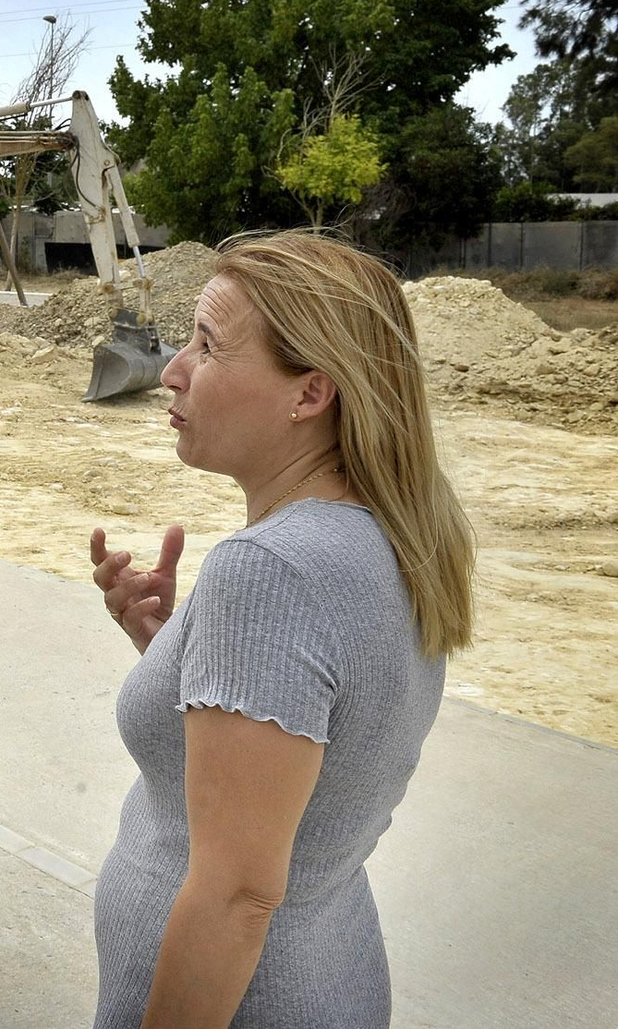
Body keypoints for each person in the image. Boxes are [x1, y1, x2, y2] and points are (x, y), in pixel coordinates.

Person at [87, 230, 475, 1028]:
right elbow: (314, 743)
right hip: (331, 972)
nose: (172, 370)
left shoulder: (272, 570)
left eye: (207, 345)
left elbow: (239, 894)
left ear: (309, 393)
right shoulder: (390, 534)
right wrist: (175, 650)